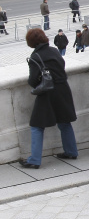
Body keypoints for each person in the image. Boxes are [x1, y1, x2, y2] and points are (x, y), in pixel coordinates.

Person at [18, 28, 78, 168]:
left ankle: (34, 160)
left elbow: (33, 81)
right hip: (63, 89)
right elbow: (61, 66)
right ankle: (71, 151)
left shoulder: (35, 57)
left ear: (31, 42)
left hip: (47, 93)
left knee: (37, 125)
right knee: (64, 122)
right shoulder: (55, 51)